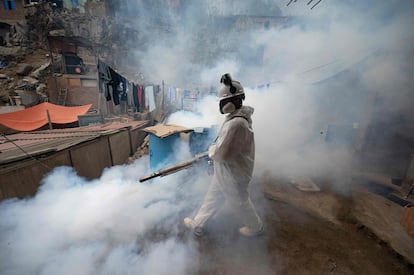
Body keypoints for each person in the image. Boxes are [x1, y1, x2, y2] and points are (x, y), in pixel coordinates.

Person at [184, 73, 263, 237]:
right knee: (213, 197)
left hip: (234, 172)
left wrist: (211, 152)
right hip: (227, 169)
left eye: (223, 101)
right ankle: (199, 224)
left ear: (233, 100)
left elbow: (223, 153)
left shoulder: (237, 123)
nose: (221, 104)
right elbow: (223, 147)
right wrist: (213, 153)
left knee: (240, 202)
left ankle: (256, 227)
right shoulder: (235, 119)